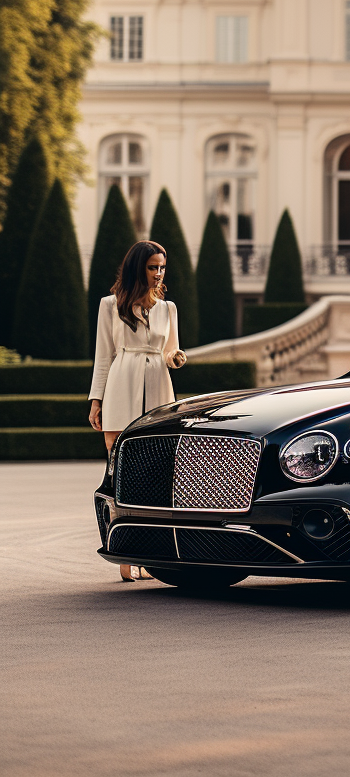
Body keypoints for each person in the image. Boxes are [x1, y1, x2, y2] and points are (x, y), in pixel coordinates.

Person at [88, 240, 187, 581]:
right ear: (137, 268)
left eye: (162, 267)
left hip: (159, 385)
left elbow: (171, 351)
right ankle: (125, 555)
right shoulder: (109, 305)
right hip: (121, 382)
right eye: (152, 267)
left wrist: (176, 358)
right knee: (120, 473)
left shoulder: (168, 308)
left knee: (159, 473)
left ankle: (152, 553)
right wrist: (96, 400)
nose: (158, 274)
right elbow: (104, 356)